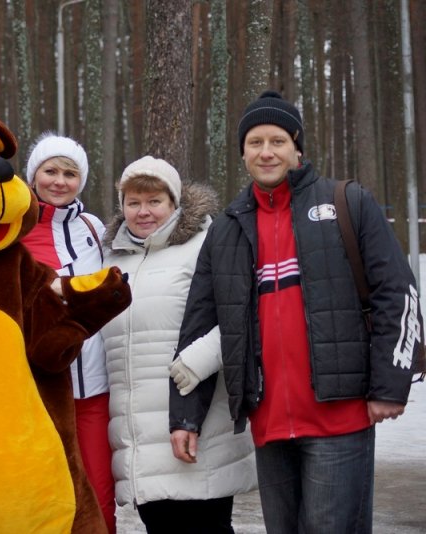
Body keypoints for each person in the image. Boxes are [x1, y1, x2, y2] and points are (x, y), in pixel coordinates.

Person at [169, 90, 423, 534]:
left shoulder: (347, 202)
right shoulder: (227, 229)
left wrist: (389, 385)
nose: (266, 152)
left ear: (297, 148)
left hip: (340, 418)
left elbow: (398, 295)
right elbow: (199, 325)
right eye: (255, 142)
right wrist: (185, 416)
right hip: (268, 425)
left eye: (278, 141)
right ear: (243, 154)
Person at [100, 156, 256, 533]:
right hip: (138, 431)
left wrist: (197, 362)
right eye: (133, 202)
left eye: (154, 201)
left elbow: (243, 314)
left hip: (197, 416)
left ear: (174, 202)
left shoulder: (207, 244)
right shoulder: (111, 260)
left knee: (206, 526)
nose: (143, 211)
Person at [20, 132, 116, 533]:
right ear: (33, 176)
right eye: (50, 171)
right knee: (42, 497)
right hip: (35, 388)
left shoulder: (95, 227)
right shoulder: (13, 228)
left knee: (98, 494)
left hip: (93, 388)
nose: (59, 181)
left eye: (70, 174)